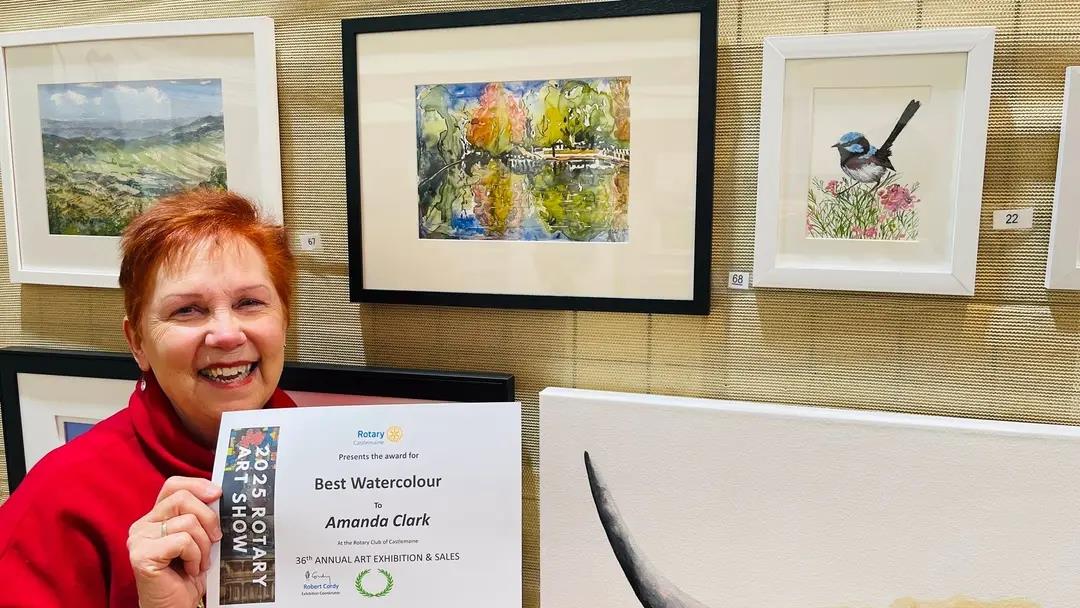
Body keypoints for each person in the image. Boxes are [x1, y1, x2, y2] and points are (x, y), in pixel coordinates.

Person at [0, 189, 298, 608]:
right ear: (138, 342)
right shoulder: (61, 498)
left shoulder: (342, 465)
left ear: (284, 320)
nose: (227, 334)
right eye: (187, 310)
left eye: (249, 303)